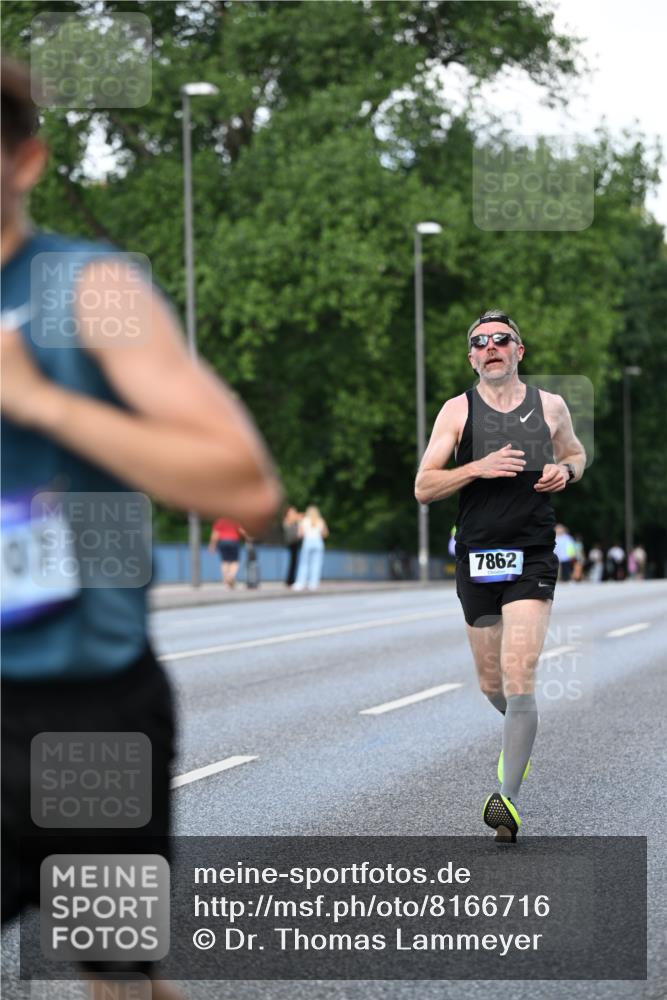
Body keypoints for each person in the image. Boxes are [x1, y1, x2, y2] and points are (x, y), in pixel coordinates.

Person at [0, 57, 281, 999]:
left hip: (81, 710)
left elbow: (243, 486)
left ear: (26, 161)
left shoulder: (82, 291)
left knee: (117, 977)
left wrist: (41, 403)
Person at [415, 309, 586, 843]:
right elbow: (424, 486)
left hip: (532, 554)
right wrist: (475, 469)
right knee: (493, 685)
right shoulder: (456, 412)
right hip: (477, 557)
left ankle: (506, 801)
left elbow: (576, 453)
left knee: (519, 675)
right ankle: (519, 740)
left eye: (501, 340)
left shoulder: (551, 407)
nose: (490, 347)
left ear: (519, 351)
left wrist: (567, 470)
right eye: (479, 341)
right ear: (471, 357)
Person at [292, 505, 329, 591]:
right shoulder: (321, 521)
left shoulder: (304, 521)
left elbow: (300, 534)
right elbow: (325, 534)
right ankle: (313, 583)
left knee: (304, 563)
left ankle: (300, 583)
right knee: (316, 564)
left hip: (308, 542)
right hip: (318, 542)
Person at [208, 517, 243, 588]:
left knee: (224, 561)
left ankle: (226, 579)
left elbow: (215, 534)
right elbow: (241, 531)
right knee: (235, 561)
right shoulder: (235, 520)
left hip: (223, 542)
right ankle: (231, 575)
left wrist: (212, 545)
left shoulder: (220, 521)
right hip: (234, 541)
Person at [282, 505, 303, 586]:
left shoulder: (295, 521)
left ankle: (291, 580)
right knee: (292, 562)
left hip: (295, 543)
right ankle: (289, 580)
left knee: (294, 562)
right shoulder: (287, 521)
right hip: (291, 543)